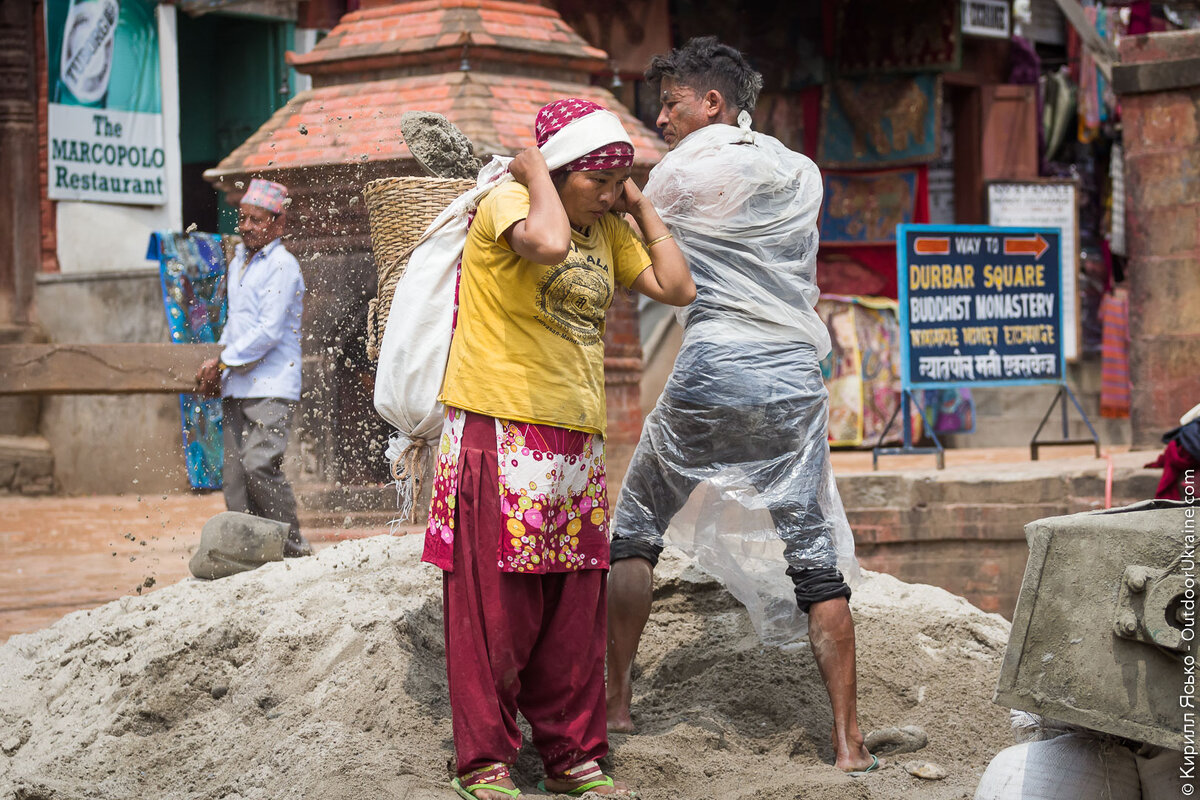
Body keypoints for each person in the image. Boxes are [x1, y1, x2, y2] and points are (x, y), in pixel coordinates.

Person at [604, 37, 879, 775]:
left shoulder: (681, 171)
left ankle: (616, 703)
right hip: (792, 376)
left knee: (633, 529)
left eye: (671, 103)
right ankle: (850, 743)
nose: (660, 118)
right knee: (814, 556)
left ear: (712, 103)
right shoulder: (799, 171)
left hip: (715, 364)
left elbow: (629, 239)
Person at [424, 98, 694, 799]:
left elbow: (677, 286)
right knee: (497, 610)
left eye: (618, 182)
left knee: (572, 610)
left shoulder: (607, 226)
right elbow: (543, 245)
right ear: (556, 170)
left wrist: (636, 205)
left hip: (574, 442)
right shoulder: (509, 205)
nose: (609, 194)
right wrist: (535, 173)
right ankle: (483, 761)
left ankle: (572, 756)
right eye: (599, 181)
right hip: (499, 429)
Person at [196, 178, 311, 558]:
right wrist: (220, 369)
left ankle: (293, 549)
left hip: (272, 385)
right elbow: (236, 326)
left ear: (278, 224)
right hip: (238, 385)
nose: (245, 227)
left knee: (259, 465)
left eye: (255, 220)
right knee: (235, 478)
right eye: (242, 218)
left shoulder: (282, 265)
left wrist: (224, 361)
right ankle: (251, 554)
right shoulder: (238, 264)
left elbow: (268, 331)